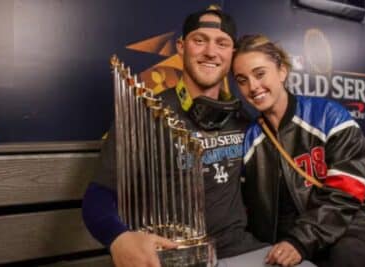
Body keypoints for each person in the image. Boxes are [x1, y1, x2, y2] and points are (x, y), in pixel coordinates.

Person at [82, 8, 316, 267]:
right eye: (199, 40)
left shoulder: (244, 119)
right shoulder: (146, 112)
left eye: (222, 43)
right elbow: (99, 195)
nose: (211, 52)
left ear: (232, 54)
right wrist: (119, 238)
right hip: (175, 256)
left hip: (240, 250)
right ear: (181, 47)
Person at [232, 34, 365, 267]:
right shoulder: (249, 139)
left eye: (259, 74)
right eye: (242, 80)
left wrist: (300, 241)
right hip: (285, 242)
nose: (253, 87)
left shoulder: (329, 117)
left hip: (341, 230)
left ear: (282, 71)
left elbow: (346, 194)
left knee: (347, 257)